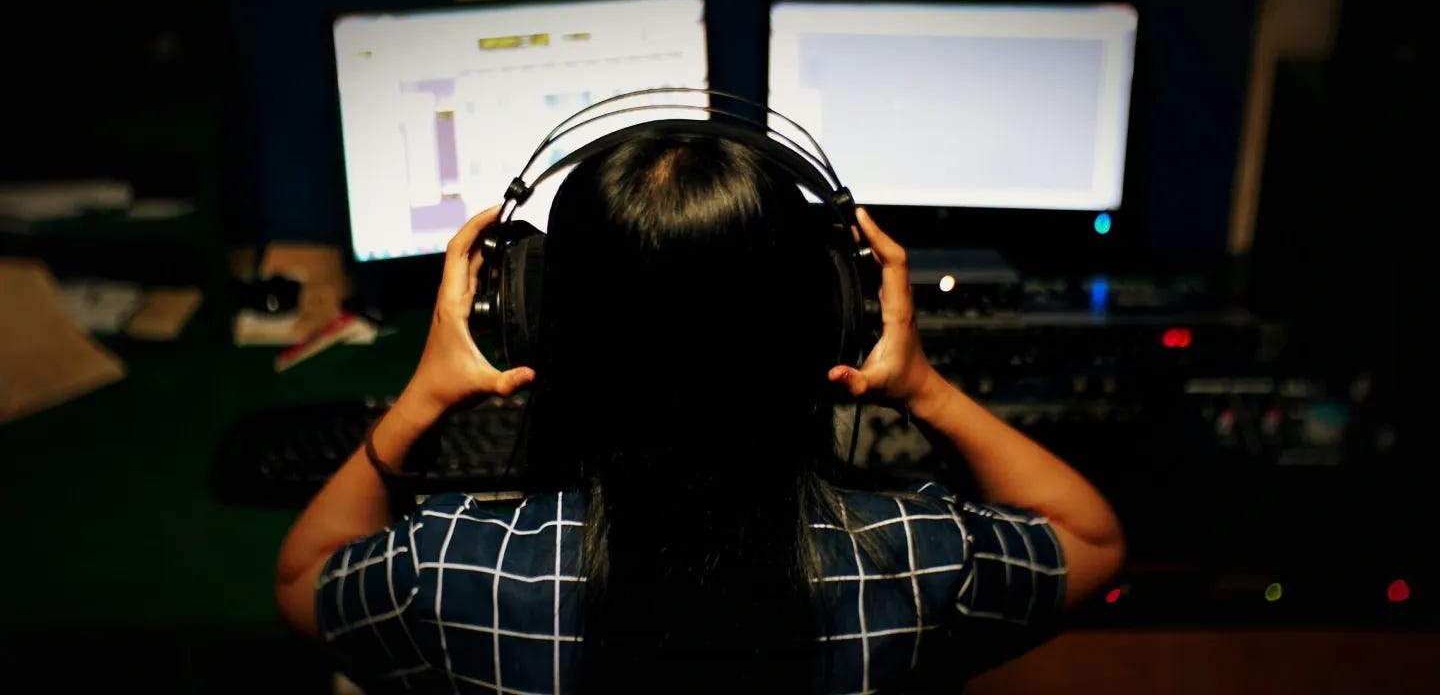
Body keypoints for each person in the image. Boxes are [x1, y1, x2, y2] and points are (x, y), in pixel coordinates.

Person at [274, 130, 1125, 693]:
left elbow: (300, 579)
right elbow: (1093, 540)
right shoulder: (921, 559)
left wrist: (423, 396)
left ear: (529, 323)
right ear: (837, 319)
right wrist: (924, 387)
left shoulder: (451, 568)